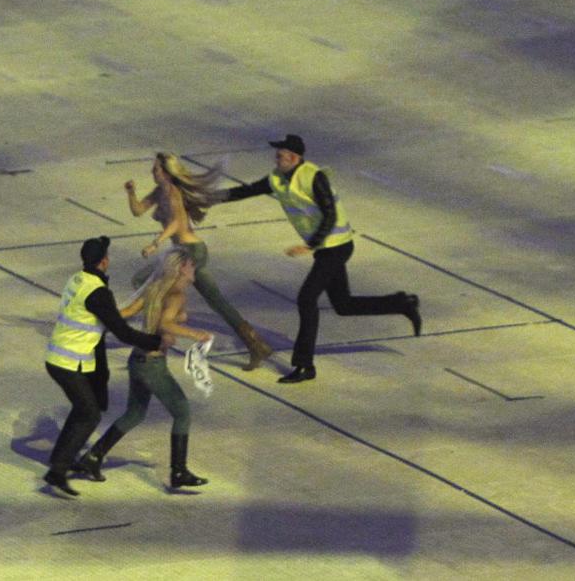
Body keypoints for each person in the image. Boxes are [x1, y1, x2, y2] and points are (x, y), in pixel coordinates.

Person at [217, 134, 421, 383]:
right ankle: (401, 303)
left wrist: (309, 245)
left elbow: (330, 214)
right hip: (325, 249)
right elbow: (245, 191)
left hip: (337, 245)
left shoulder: (314, 177)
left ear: (294, 158)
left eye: (280, 155)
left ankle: (305, 366)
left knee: (306, 299)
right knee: (343, 305)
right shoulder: (277, 179)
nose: (276, 158)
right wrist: (207, 197)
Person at [73, 247, 211, 490]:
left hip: (137, 360)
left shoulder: (154, 288)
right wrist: (195, 334)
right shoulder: (176, 294)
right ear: (181, 268)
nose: (194, 269)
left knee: (135, 413)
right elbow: (166, 322)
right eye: (190, 265)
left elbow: (124, 313)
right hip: (153, 364)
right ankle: (178, 471)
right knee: (182, 412)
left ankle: (92, 457)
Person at [43, 236, 170, 496]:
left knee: (84, 409)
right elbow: (121, 332)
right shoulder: (97, 292)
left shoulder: (78, 279)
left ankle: (60, 460)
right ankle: (57, 472)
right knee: (89, 414)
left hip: (63, 356)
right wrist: (155, 341)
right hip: (69, 361)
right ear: (104, 261)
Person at [125, 153, 272, 371]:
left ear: (165, 172)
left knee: (144, 280)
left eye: (155, 169)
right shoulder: (160, 191)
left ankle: (165, 327)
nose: (152, 172)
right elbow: (138, 210)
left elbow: (177, 222)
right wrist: (131, 192)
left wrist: (156, 243)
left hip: (191, 252)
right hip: (184, 251)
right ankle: (256, 344)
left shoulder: (172, 192)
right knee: (216, 301)